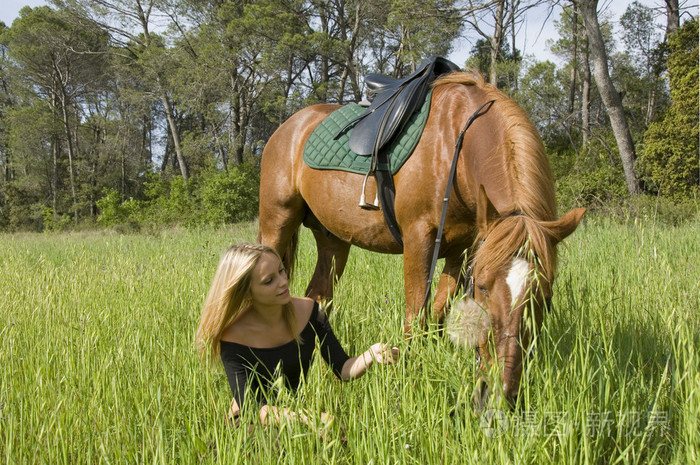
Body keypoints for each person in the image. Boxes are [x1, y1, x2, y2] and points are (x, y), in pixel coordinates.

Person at [196, 242, 399, 428]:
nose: (283, 282)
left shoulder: (310, 311)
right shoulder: (233, 336)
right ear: (246, 291)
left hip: (295, 412)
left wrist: (371, 355)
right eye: (269, 281)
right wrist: (307, 417)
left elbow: (342, 368)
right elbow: (252, 406)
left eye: (281, 271)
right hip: (252, 420)